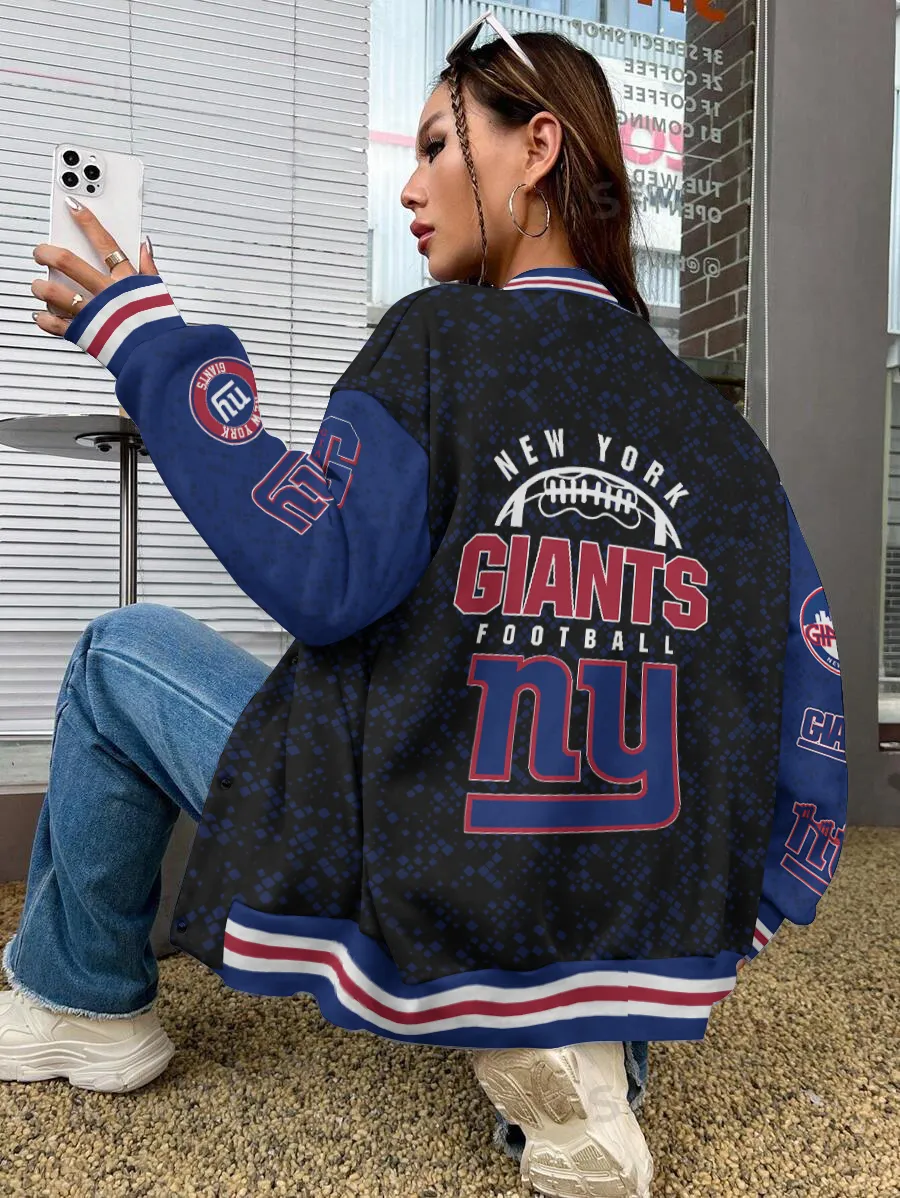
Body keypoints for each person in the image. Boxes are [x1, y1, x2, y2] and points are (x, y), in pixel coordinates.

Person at [0, 15, 841, 1198]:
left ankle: (81, 1002)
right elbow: (803, 676)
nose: (409, 185)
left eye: (440, 144)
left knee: (118, 652)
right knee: (603, 775)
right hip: (626, 863)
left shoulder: (438, 340)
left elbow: (323, 573)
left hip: (438, 838)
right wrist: (755, 891)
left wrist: (142, 337)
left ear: (536, 148)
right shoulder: (720, 431)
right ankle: (593, 1027)